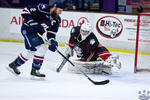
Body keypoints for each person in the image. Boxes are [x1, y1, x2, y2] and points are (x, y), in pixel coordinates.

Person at [8, 2, 64, 77]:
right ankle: (35, 70)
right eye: (59, 10)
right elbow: (25, 11)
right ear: (54, 7)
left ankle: (14, 65)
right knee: (42, 48)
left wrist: (52, 42)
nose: (60, 13)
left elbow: (51, 33)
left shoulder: (57, 20)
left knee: (31, 50)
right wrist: (31, 22)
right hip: (28, 29)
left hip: (35, 33)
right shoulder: (43, 8)